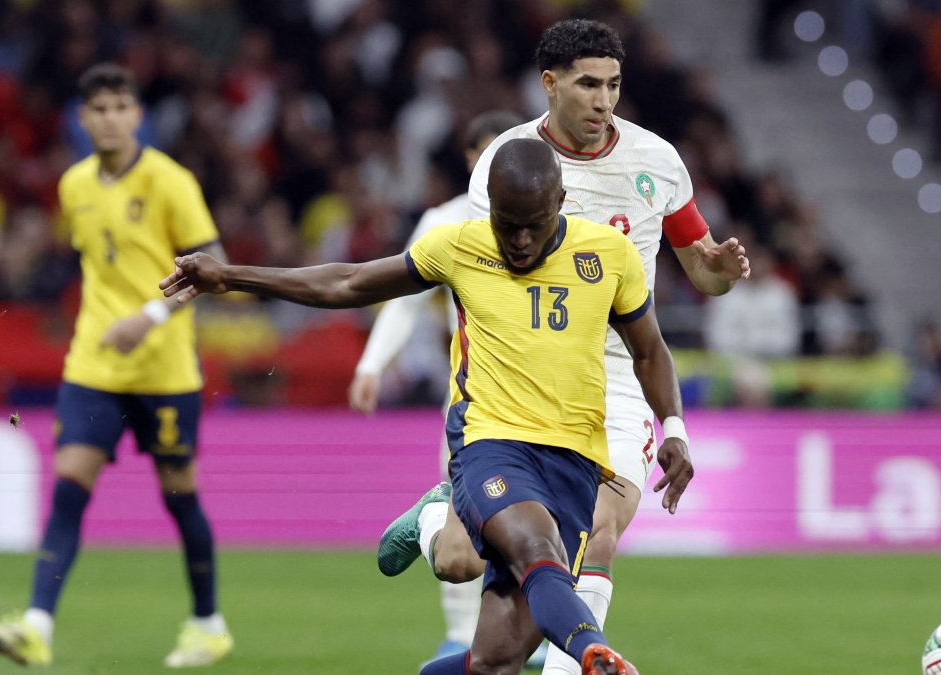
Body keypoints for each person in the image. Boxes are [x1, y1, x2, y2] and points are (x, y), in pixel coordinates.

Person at [160, 138, 692, 675]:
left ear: (561, 201)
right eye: (508, 224)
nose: (520, 240)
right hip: (493, 444)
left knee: (495, 661)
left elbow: (649, 350)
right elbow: (347, 282)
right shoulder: (459, 245)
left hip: (574, 460)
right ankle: (593, 654)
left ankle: (435, 518)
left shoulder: (609, 254)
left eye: (533, 223)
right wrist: (230, 277)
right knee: (537, 551)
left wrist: (673, 426)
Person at [375, 18, 751, 675]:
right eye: (587, 85)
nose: (603, 100)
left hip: (618, 371)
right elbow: (476, 279)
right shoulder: (510, 162)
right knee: (464, 564)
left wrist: (719, 266)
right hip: (523, 370)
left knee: (600, 529)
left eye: (612, 85)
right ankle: (438, 517)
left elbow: (704, 273)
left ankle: (576, 662)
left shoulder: (657, 162)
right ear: (550, 85)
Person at [0, 63, 233, 669]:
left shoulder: (170, 181)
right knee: (68, 489)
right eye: (100, 108)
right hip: (93, 364)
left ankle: (208, 624)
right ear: (83, 118)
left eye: (122, 106)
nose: (111, 117)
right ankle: (37, 626)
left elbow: (216, 262)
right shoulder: (73, 186)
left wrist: (151, 313)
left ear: (137, 116)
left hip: (165, 368)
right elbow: (97, 265)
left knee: (179, 499)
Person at [348, 110, 526, 664]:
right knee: (466, 519)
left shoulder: (549, 216)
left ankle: (523, 627)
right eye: (484, 150)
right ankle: (458, 632)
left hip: (543, 395)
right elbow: (403, 298)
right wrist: (373, 363)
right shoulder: (445, 222)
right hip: (474, 395)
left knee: (538, 516)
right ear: (471, 158)